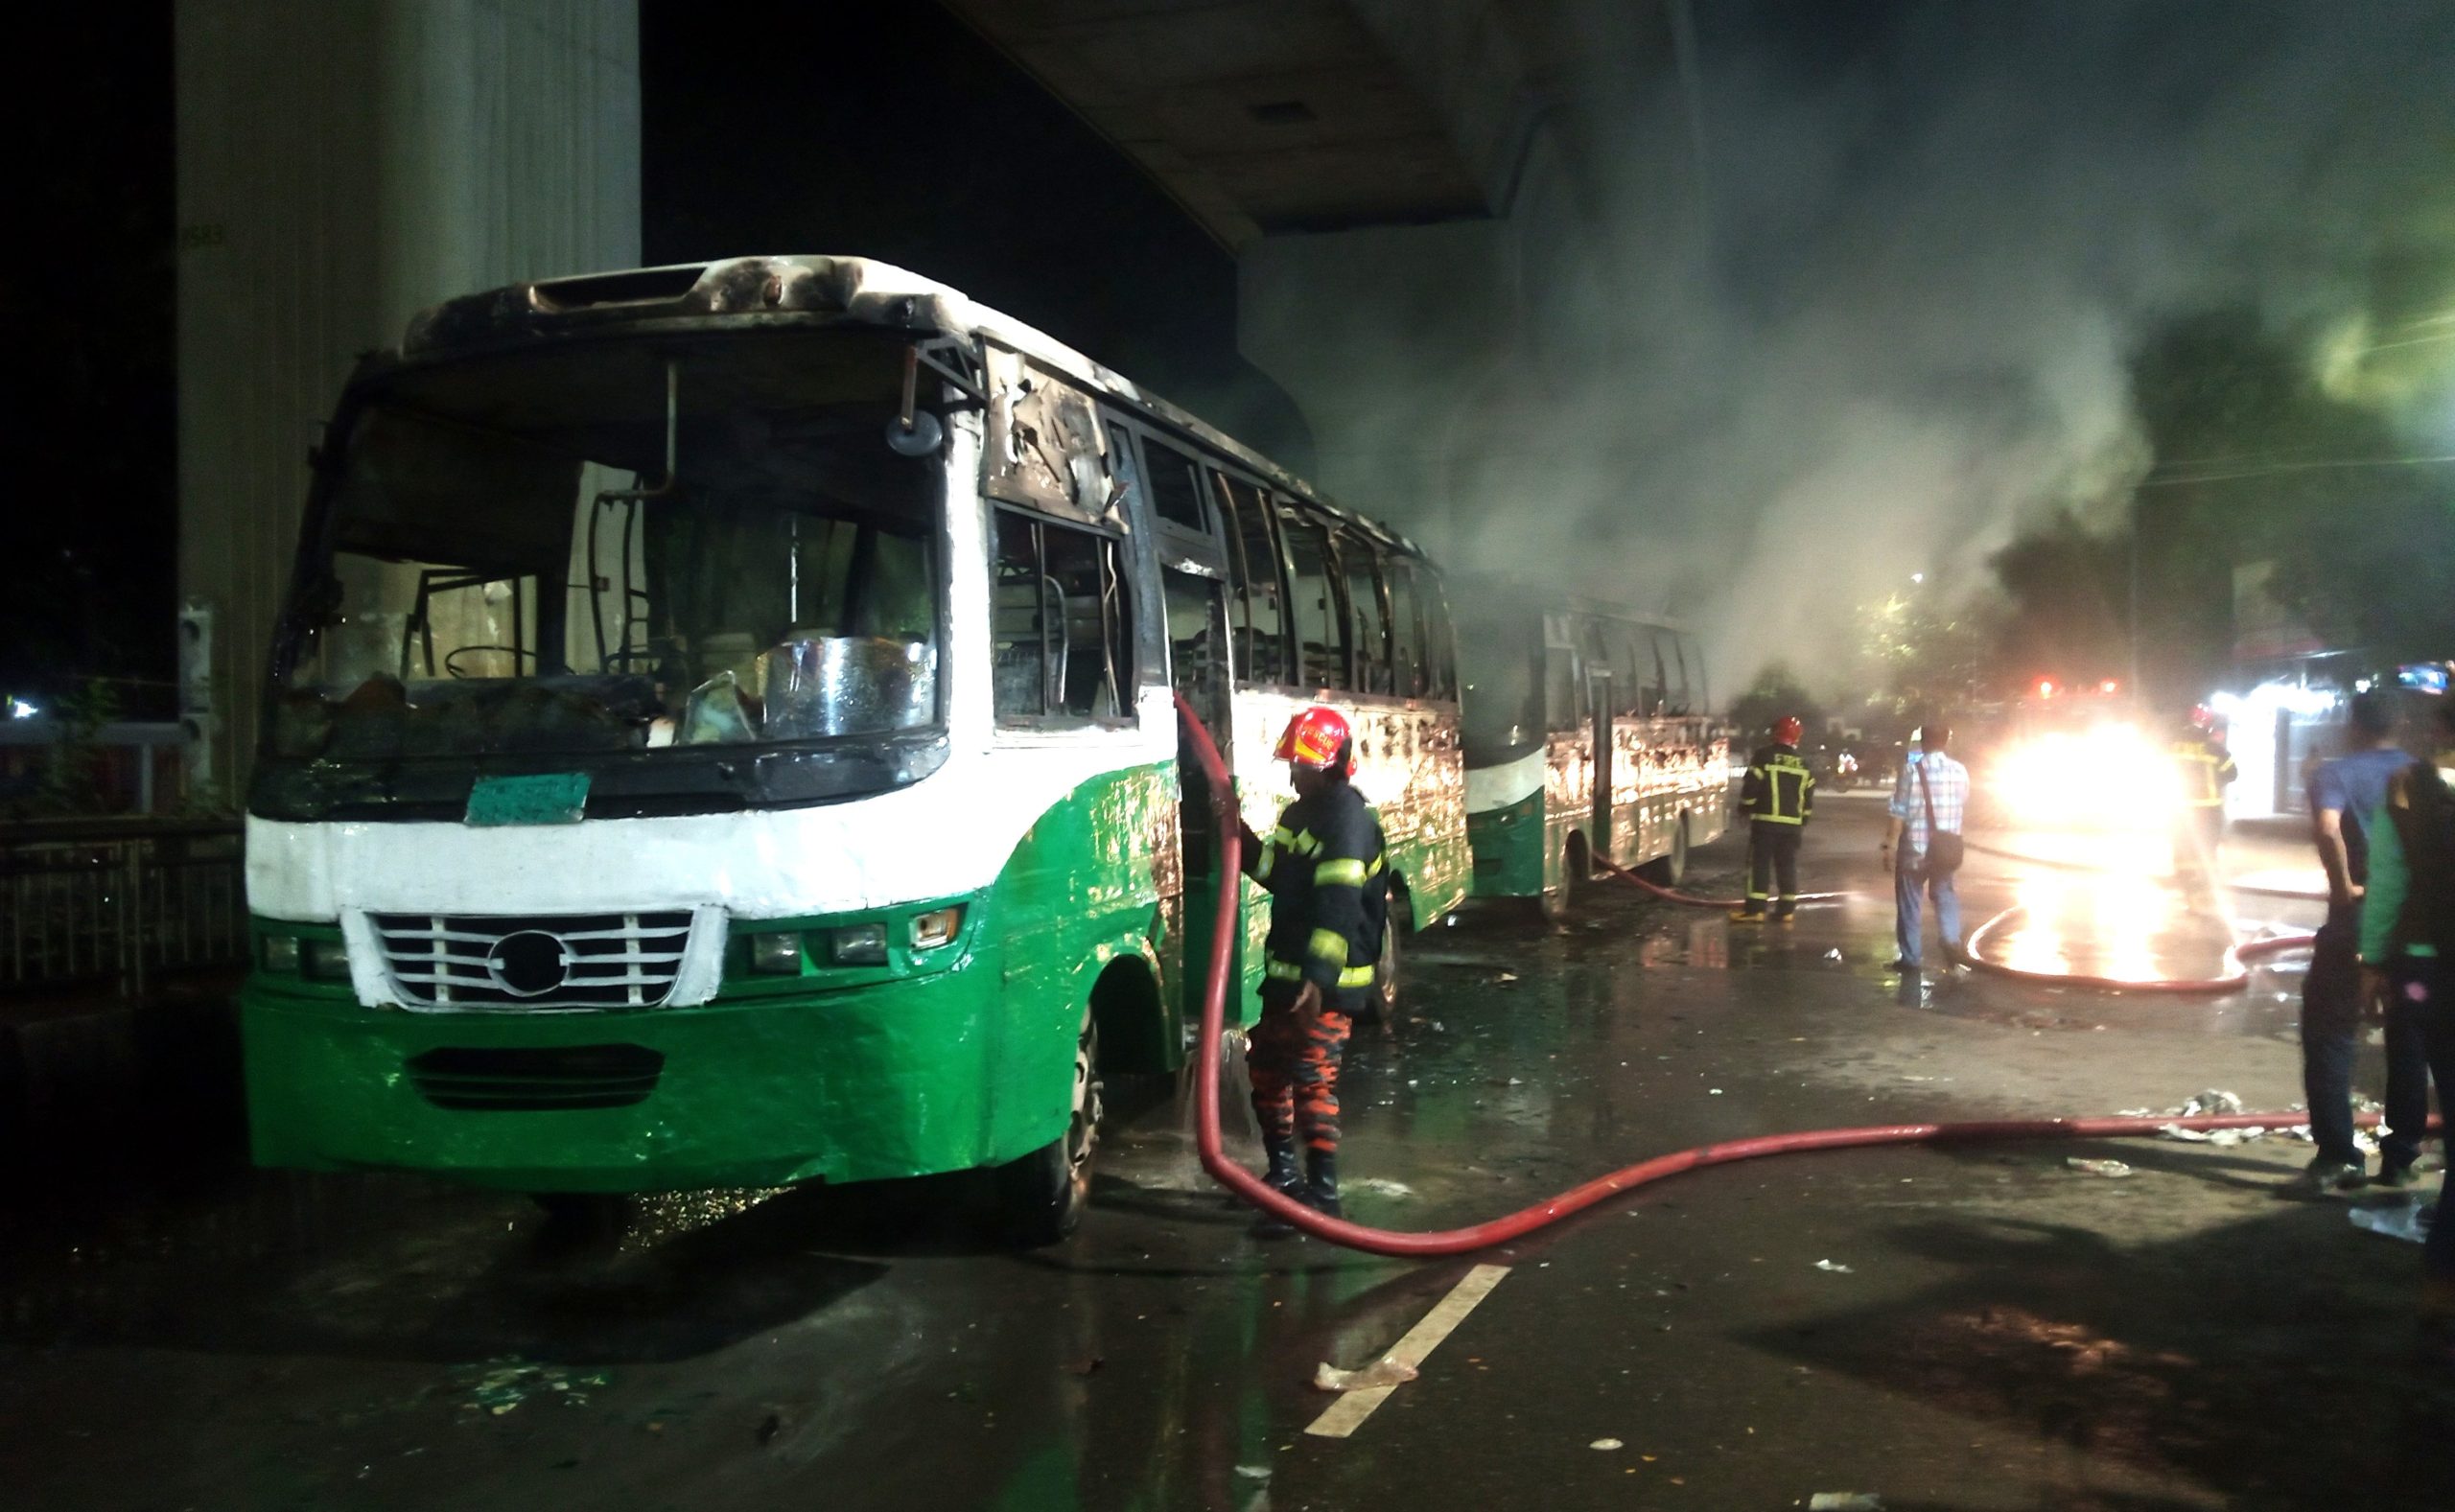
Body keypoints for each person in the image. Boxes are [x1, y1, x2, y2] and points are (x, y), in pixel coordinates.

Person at [1235, 705, 1390, 1236]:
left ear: (1330, 766)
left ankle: (1323, 1196)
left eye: (1302, 766)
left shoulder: (1348, 818)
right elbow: (1278, 876)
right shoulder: (1297, 816)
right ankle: (1283, 1177)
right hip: (1286, 981)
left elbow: (1339, 905)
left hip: (1326, 988)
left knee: (1311, 1081)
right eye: (1292, 765)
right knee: (1267, 1074)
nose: (1294, 774)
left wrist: (1317, 983)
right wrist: (1240, 838)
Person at [2292, 691, 2430, 1197]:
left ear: (2353, 727)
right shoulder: (2425, 776)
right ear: (2405, 726)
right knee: (2409, 1038)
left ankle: (2339, 1158)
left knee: (2330, 1033)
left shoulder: (2334, 774)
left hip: (2356, 923)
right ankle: (2400, 1159)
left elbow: (2329, 829)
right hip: (2415, 928)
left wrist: (2343, 887)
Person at [2356, 696, 2455, 1349]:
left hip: (2430, 970)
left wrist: (2372, 962)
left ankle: (2438, 1297)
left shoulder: (2407, 790)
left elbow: (2387, 882)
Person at [1882, 721, 1968, 972]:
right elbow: (1962, 802)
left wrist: (1889, 845)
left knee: (1910, 902)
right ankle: (1951, 941)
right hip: (1947, 848)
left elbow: (1898, 811)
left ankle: (1911, 958)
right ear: (1946, 740)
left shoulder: (1911, 771)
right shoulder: (1960, 771)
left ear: (1923, 741)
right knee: (1945, 894)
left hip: (1916, 849)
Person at [1730, 714, 1816, 923]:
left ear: (1776, 733)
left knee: (1759, 865)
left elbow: (1752, 786)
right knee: (1786, 866)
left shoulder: (1764, 756)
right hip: (1792, 827)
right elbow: (1808, 798)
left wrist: (1744, 808)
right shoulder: (1803, 764)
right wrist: (1802, 821)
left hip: (1766, 824)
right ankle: (1786, 910)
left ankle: (1755, 910)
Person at [2168, 706, 2238, 901]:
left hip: (2180, 809)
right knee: (2207, 846)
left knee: (2182, 845)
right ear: (2208, 725)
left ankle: (2185, 882)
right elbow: (2232, 774)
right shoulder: (2214, 749)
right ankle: (2206, 884)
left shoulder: (2174, 746)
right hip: (2209, 808)